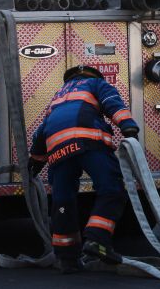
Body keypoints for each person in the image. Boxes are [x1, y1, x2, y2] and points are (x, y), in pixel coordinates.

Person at [28, 65, 140, 273]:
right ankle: (97, 239)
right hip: (88, 142)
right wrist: (127, 126)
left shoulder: (58, 98)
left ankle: (66, 258)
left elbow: (42, 130)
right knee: (111, 189)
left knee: (63, 202)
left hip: (58, 150)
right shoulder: (96, 84)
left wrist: (36, 160)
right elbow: (111, 102)